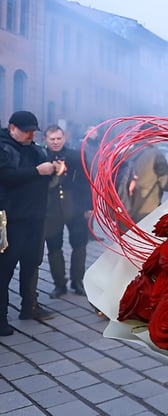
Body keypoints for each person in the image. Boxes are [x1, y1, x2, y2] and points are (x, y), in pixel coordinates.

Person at [0, 111, 59, 335]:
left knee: (31, 264)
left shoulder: (35, 148)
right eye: (26, 130)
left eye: (33, 130)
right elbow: (5, 175)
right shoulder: (3, 147)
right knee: (4, 270)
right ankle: (1, 318)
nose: (30, 134)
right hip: (11, 219)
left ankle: (29, 306)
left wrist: (54, 172)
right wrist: (36, 171)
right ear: (12, 127)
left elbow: (44, 177)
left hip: (35, 217)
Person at [43, 125, 93, 297]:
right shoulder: (41, 156)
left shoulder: (75, 155)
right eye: (52, 139)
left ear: (64, 138)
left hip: (75, 204)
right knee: (54, 245)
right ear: (46, 140)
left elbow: (86, 181)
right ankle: (59, 284)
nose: (56, 142)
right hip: (51, 207)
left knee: (79, 243)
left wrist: (88, 206)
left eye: (58, 138)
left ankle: (77, 281)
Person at [117, 139, 168, 223]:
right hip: (148, 209)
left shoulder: (126, 153)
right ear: (153, 136)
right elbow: (167, 185)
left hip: (125, 208)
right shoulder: (155, 154)